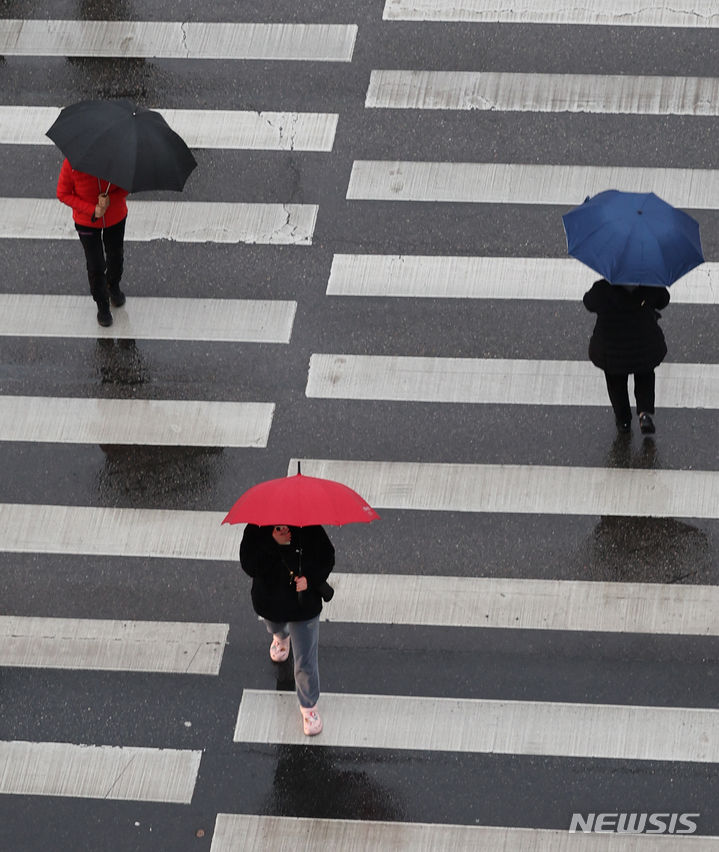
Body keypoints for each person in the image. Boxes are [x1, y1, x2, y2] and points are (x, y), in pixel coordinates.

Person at [240, 523, 335, 736]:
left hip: (304, 606)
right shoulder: (257, 529)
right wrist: (274, 544)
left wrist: (309, 580)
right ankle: (281, 636)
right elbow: (249, 564)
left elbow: (327, 557)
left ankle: (309, 706)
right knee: (274, 625)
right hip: (271, 602)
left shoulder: (309, 527)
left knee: (306, 659)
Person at [583, 279, 670, 434]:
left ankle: (623, 421)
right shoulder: (649, 285)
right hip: (643, 346)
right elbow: (663, 300)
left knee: (616, 385)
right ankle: (644, 414)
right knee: (645, 377)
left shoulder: (602, 288)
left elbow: (588, 302)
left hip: (612, 350)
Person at [56, 158, 129, 327]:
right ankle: (102, 305)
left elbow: (127, 186)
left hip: (115, 216)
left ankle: (113, 285)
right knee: (96, 265)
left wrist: (110, 198)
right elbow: (63, 193)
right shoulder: (72, 164)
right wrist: (93, 210)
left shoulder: (117, 159)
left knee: (116, 256)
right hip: (86, 220)